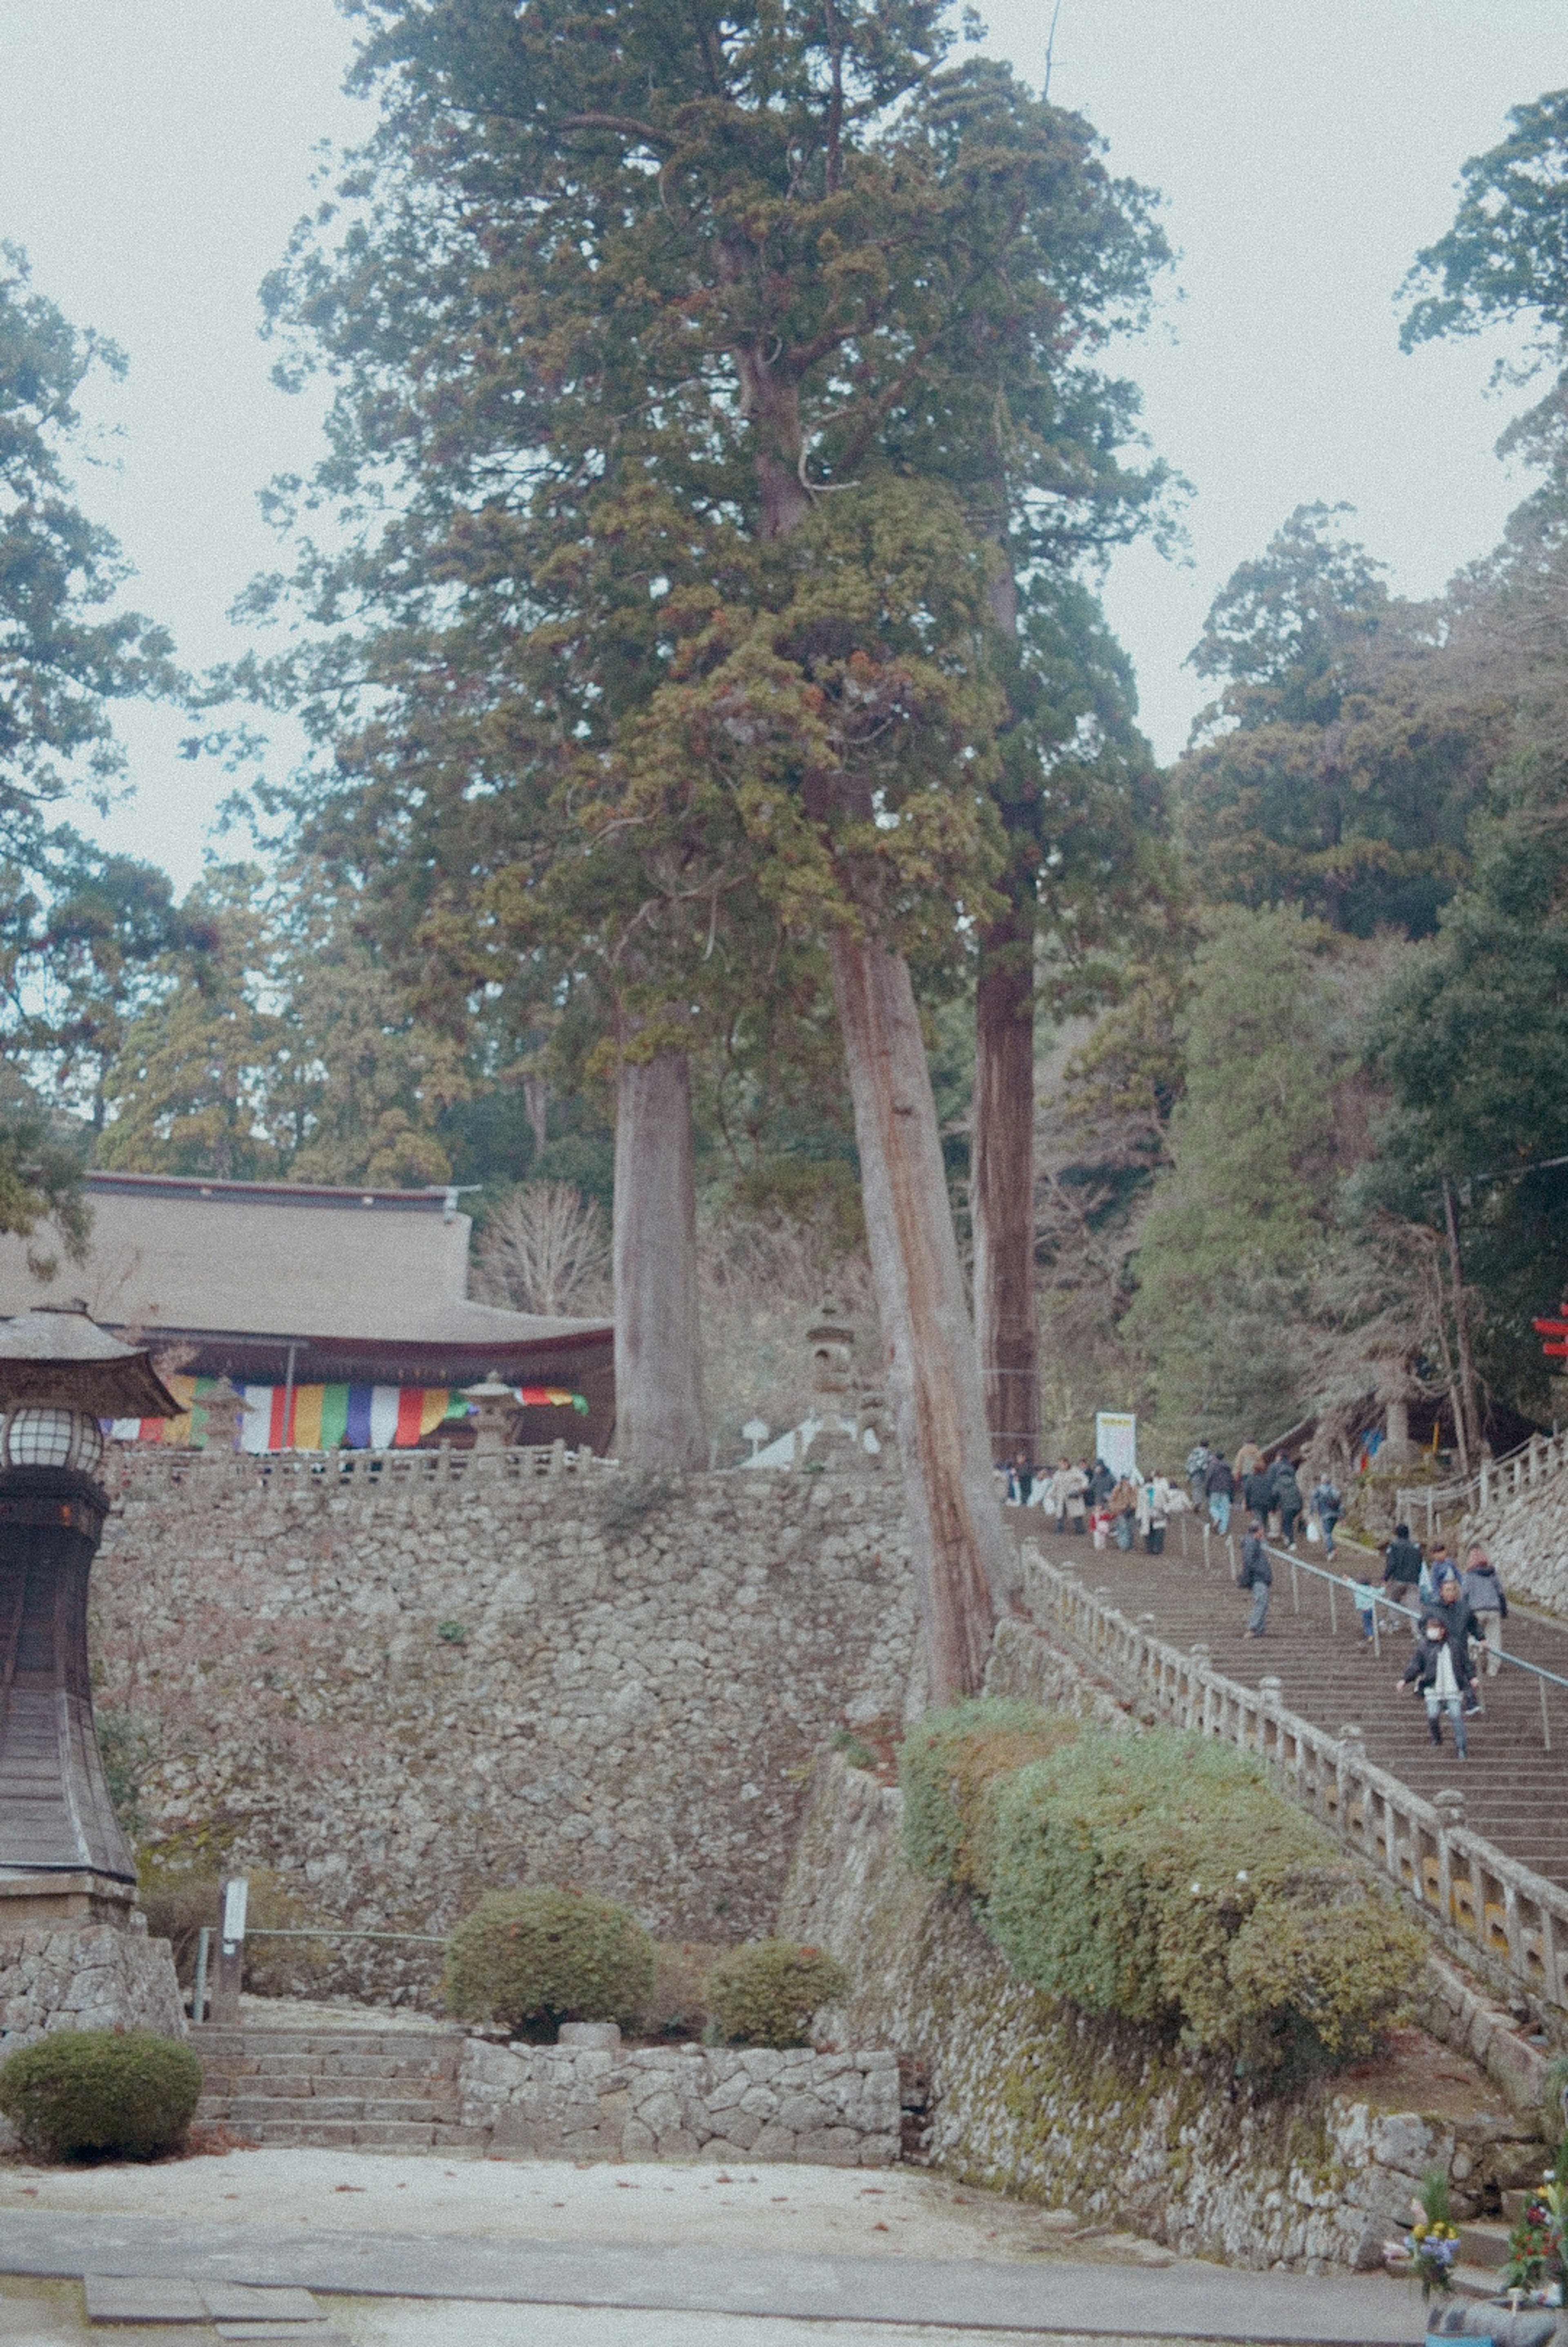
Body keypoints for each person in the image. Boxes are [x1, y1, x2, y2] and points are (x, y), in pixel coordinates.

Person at [1400, 1616, 1468, 1759]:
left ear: (1443, 1631)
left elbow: (1465, 1663)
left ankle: (1461, 1746)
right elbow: (1416, 1665)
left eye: (1435, 1629)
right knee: (1433, 1715)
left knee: (1456, 1715)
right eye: (1430, 1629)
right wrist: (1405, 1680)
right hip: (1432, 1687)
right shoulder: (1424, 1647)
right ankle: (1437, 1737)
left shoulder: (1454, 1645)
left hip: (1452, 1687)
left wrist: (1472, 1677)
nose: (1432, 1632)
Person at [1426, 1568, 1481, 1715]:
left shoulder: (1464, 1608)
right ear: (1441, 1592)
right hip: (1442, 1648)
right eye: (1448, 1590)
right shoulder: (1434, 1609)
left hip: (1460, 1646)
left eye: (1453, 1590)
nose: (1451, 1593)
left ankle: (1471, 1704)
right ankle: (1446, 1705)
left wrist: (1482, 1638)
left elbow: (1474, 1624)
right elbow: (1424, 1624)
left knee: (1463, 1674)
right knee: (1445, 1677)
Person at [1461, 1545, 1508, 1677]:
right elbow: (1501, 1593)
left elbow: (1465, 1595)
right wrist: (1504, 1611)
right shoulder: (1492, 1574)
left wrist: (1463, 1614)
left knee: (1473, 1638)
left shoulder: (1469, 1575)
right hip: (1494, 1610)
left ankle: (1473, 1663)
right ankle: (1493, 1668)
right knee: (1494, 1640)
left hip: (1476, 1611)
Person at [1237, 1513, 1272, 1637]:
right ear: (1259, 1530)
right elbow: (1249, 1561)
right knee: (1261, 1602)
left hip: (1259, 1577)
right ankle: (1253, 1628)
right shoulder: (1251, 1542)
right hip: (1258, 1578)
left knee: (1263, 1602)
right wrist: (1260, 1572)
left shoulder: (1253, 1542)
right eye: (1262, 1529)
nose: (1264, 1532)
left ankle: (1259, 1629)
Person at [1382, 1523, 1423, 1611]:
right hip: (1413, 1580)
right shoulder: (1416, 1547)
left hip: (1398, 1579)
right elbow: (1420, 1563)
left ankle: (1395, 1623)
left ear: (1397, 1534)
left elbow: (1391, 1564)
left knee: (1393, 1602)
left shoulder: (1393, 1546)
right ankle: (1416, 1625)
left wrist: (1386, 1578)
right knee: (1414, 1607)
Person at [1270, 1454, 1303, 1548]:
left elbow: (1274, 1496)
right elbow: (1299, 1495)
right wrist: (1300, 1507)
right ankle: (1287, 1540)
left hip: (1287, 1507)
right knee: (1289, 1523)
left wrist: (1273, 1508)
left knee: (1286, 1524)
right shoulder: (1294, 1483)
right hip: (1297, 1507)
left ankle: (1292, 1543)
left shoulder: (1278, 1483)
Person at [1309, 1471, 1342, 1560]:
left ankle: (1331, 1551)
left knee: (1327, 1534)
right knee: (1330, 1534)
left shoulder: (1319, 1490)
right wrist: (1341, 1515)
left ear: (1322, 1481)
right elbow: (1340, 1503)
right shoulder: (1335, 1490)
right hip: (1335, 1515)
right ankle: (1330, 1549)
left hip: (1326, 1515)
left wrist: (1311, 1513)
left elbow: (1314, 1502)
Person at [1204, 1450, 1235, 1535]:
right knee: (1225, 1511)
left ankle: (1217, 1517)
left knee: (1213, 1507)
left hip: (1214, 1490)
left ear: (1215, 1457)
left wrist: (1207, 1491)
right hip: (1226, 1491)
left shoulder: (1212, 1466)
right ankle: (1223, 1530)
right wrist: (1232, 1494)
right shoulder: (1228, 1467)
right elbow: (1232, 1481)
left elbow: (1208, 1479)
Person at [1107, 1474, 1139, 1551]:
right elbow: (1112, 1501)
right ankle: (1123, 1546)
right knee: (1123, 1528)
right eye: (1124, 1479)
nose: (1126, 1481)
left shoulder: (1133, 1488)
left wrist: (1132, 1506)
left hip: (1131, 1511)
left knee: (1131, 1529)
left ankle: (1129, 1545)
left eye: (1127, 1479)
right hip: (1121, 1512)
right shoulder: (1117, 1489)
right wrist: (1117, 1509)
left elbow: (1136, 1499)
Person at [1064, 1459, 1089, 1536]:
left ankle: (1080, 1530)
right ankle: (1061, 1529)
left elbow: (1084, 1479)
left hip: (1075, 1494)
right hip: (1066, 1495)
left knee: (1077, 1513)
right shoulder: (1061, 1472)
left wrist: (1083, 1487)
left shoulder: (1075, 1471)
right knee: (1063, 1513)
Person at [1185, 1441, 1212, 1511]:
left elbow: (1189, 1463)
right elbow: (1210, 1462)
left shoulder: (1193, 1453)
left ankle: (1197, 1502)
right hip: (1205, 1471)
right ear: (1208, 1446)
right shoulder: (1208, 1452)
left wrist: (1188, 1476)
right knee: (1206, 1488)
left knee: (1196, 1488)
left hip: (1194, 1472)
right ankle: (1207, 1504)